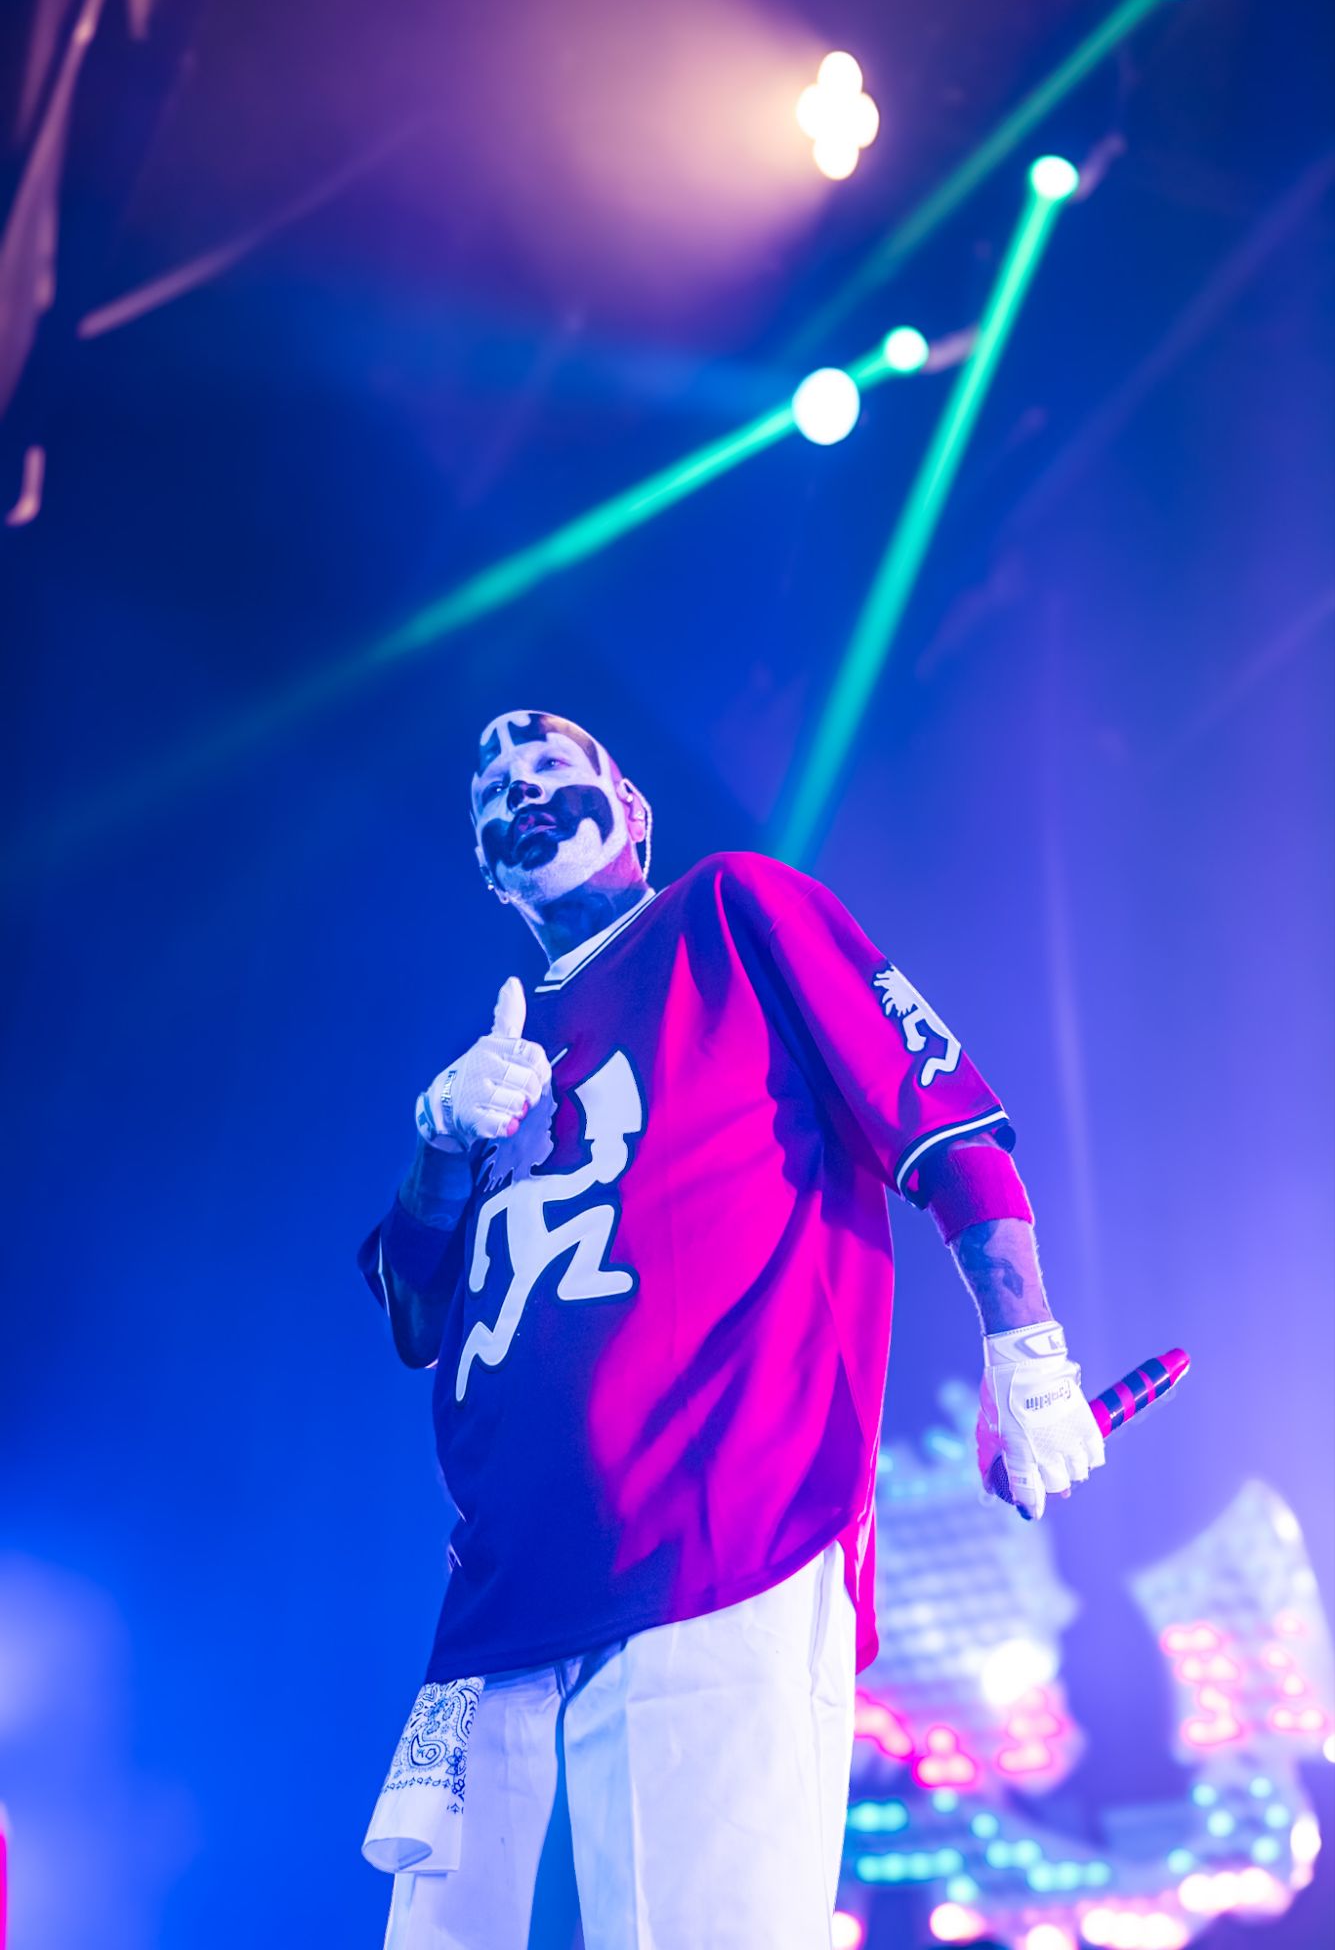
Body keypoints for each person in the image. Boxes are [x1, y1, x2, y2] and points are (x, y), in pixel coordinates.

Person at [357, 708, 1105, 1950]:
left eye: (554, 765)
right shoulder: (503, 1051)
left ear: (635, 812)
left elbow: (940, 1114)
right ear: (488, 867)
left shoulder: (729, 909)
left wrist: (1025, 1347)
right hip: (490, 1609)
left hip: (716, 1537)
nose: (523, 786)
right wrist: (440, 1146)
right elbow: (416, 1317)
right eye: (495, 785)